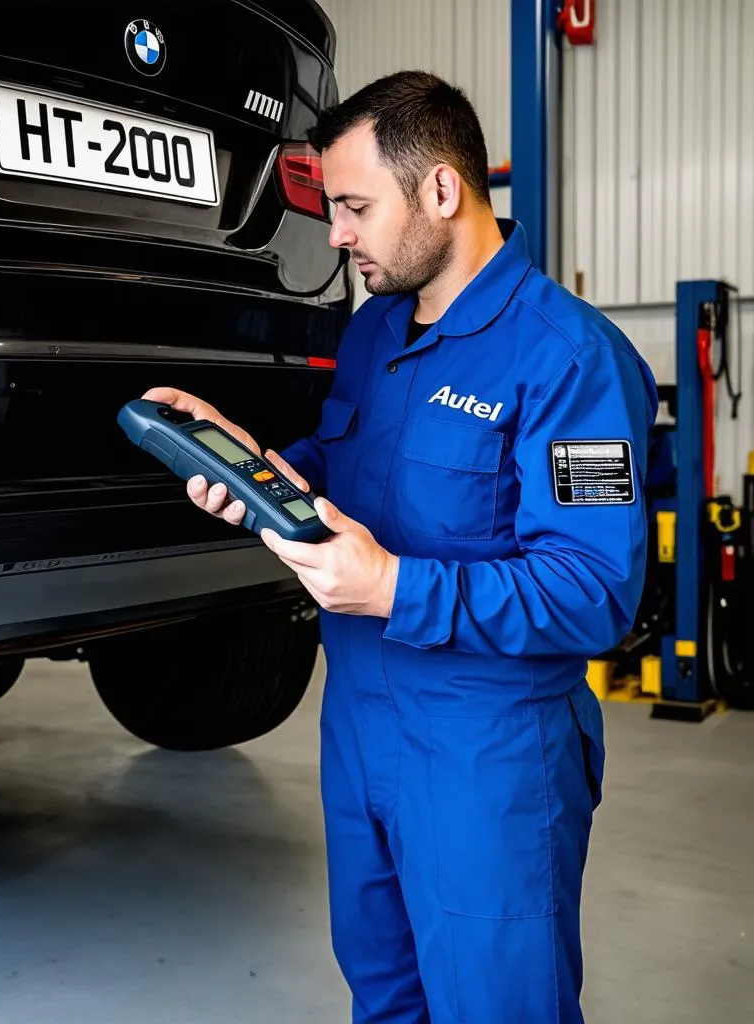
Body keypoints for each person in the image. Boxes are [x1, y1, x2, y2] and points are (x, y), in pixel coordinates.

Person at [143, 70, 658, 1023]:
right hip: (360, 732)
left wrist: (390, 588)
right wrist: (258, 469)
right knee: (383, 996)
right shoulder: (378, 329)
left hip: (487, 753)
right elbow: (345, 463)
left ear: (442, 192)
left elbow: (594, 594)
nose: (336, 234)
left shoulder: (573, 359)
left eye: (354, 206)